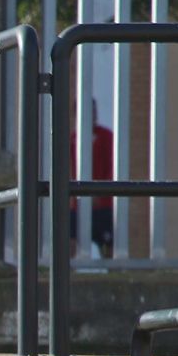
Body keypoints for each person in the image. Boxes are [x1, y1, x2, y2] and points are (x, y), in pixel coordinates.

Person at [70, 101, 114, 258]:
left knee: (108, 247)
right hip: (78, 204)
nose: (91, 116)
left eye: (93, 112)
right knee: (69, 241)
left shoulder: (106, 136)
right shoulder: (72, 139)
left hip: (103, 204)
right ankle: (67, 272)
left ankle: (113, 272)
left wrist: (100, 193)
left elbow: (112, 168)